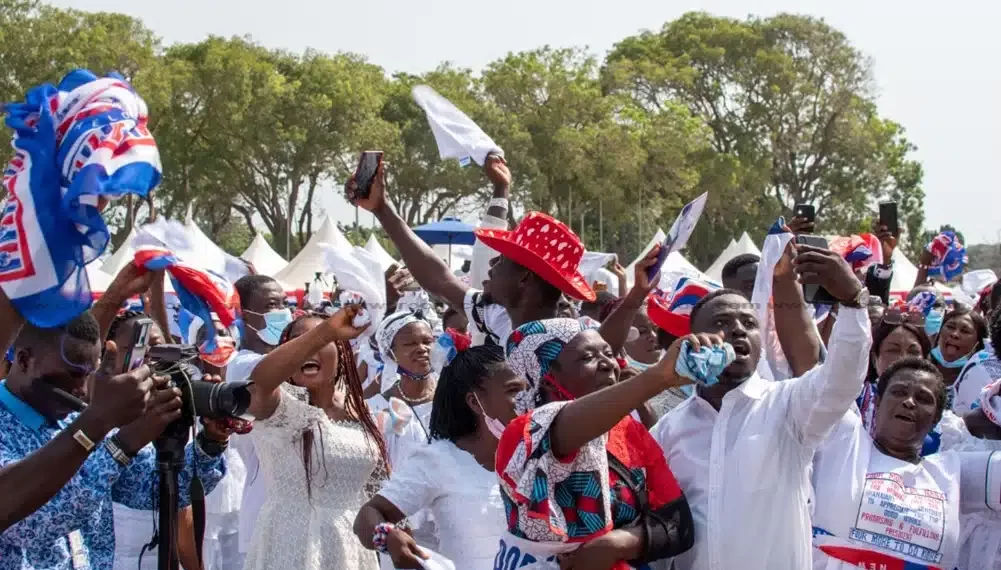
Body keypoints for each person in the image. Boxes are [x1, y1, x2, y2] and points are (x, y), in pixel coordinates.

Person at [653, 242, 871, 570]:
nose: (738, 329)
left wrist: (854, 301)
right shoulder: (668, 430)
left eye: (749, 323)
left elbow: (842, 379)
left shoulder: (789, 405)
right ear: (694, 338)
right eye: (722, 322)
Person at [0, 312, 228, 570]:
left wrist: (210, 442)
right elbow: (33, 526)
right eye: (73, 374)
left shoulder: (78, 418)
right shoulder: (87, 422)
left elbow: (152, 491)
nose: (82, 390)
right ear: (24, 360)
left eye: (89, 374)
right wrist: (121, 442)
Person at [495, 318, 696, 569]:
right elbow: (563, 423)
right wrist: (659, 377)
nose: (608, 364)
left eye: (609, 354)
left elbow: (678, 524)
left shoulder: (629, 431)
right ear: (547, 378)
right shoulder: (524, 435)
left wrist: (617, 544)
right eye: (588, 357)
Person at [349, 156, 596, 346]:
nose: (491, 264)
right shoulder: (500, 319)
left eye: (501, 260)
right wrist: (381, 209)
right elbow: (440, 280)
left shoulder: (571, 347)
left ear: (524, 278)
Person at [811, 358, 1001, 569]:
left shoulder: (953, 472)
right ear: (878, 402)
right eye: (899, 392)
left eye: (923, 399)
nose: (909, 402)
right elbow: (816, 374)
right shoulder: (844, 444)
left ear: (937, 418)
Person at [354, 343, 526, 569]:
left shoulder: (539, 453)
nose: (528, 399)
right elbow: (369, 514)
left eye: (530, 388)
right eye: (514, 390)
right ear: (475, 402)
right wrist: (388, 537)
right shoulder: (440, 460)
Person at [241, 306, 387, 570]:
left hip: (350, 548)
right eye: (301, 342)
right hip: (292, 544)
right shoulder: (279, 408)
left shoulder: (361, 413)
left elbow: (378, 491)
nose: (310, 349)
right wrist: (326, 331)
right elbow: (258, 385)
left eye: (323, 342)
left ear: (342, 353)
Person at [229, 273, 291, 560]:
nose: (281, 312)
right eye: (270, 305)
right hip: (266, 497)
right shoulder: (245, 365)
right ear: (245, 315)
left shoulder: (276, 359)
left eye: (283, 303)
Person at [930, 306, 988, 389]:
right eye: (950, 327)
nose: (954, 334)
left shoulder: (980, 383)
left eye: (965, 331)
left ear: (977, 343)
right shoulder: (918, 366)